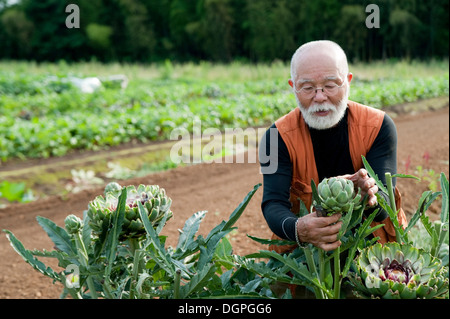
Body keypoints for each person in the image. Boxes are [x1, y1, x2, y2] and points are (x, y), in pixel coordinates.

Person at [259, 40, 407, 255]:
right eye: (308, 88)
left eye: (330, 85)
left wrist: (370, 197)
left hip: (375, 254)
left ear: (347, 81)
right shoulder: (275, 137)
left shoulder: (379, 126)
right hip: (306, 258)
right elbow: (273, 204)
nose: (320, 97)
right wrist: (298, 229)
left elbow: (385, 204)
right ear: (293, 87)